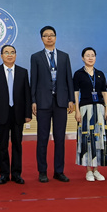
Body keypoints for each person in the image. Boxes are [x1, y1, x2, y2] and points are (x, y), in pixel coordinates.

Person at [30, 25, 74, 183]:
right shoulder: (36, 57)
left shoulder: (64, 56)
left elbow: (69, 79)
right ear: (41, 38)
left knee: (60, 138)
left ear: (55, 37)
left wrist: (71, 99)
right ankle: (42, 171)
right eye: (46, 35)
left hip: (61, 101)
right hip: (43, 102)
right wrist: (33, 100)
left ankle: (58, 171)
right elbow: (33, 80)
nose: (49, 37)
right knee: (42, 138)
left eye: (52, 35)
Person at [0, 45, 32, 185]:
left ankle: (17, 174)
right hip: (1, 113)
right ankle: (4, 174)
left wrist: (28, 114)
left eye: (12, 52)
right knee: (2, 145)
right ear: (1, 56)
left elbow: (27, 94)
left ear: (16, 55)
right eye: (6, 53)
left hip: (18, 113)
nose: (9, 55)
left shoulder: (23, 72)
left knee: (17, 144)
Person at [73, 47, 107, 182]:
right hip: (85, 109)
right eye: (87, 55)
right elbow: (76, 93)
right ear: (82, 58)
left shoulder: (100, 74)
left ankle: (96, 169)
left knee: (99, 139)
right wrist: (77, 110)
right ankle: (88, 170)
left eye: (93, 55)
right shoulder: (78, 74)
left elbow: (104, 93)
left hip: (99, 109)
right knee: (86, 139)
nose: (90, 58)